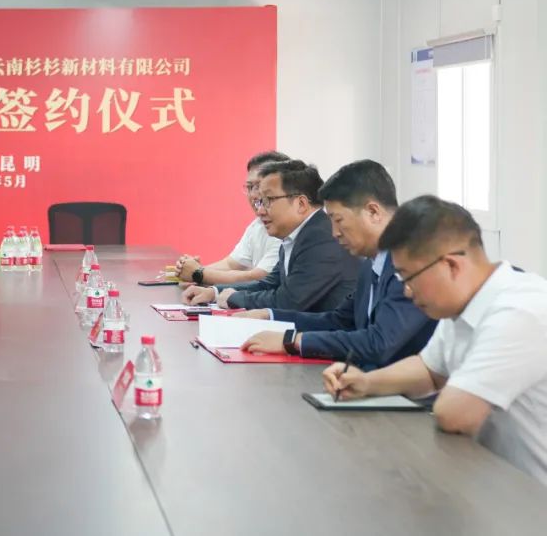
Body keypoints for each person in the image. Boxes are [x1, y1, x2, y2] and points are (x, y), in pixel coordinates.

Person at [323, 196, 547, 485]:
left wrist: (446, 396)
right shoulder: (463, 304)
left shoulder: (520, 311)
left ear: (451, 265)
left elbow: (455, 414)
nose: (406, 291)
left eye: (408, 277)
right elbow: (429, 370)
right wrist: (366, 383)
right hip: (495, 478)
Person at [238, 160, 436, 368]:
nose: (334, 233)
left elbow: (380, 343)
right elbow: (339, 321)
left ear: (373, 212)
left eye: (338, 220)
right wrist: (269, 316)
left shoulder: (413, 263)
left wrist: (292, 341)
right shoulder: (371, 264)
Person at [183, 159, 358, 311]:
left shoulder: (321, 237)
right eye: (260, 202)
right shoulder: (295, 235)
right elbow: (269, 284)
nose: (260, 211)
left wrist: (234, 298)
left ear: (301, 204)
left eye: (268, 200)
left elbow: (288, 301)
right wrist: (214, 292)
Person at [175, 151, 286, 286]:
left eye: (259, 186)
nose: (253, 195)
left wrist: (198, 273)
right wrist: (192, 269)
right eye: (250, 187)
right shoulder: (257, 225)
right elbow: (231, 264)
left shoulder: (285, 228)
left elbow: (259, 277)